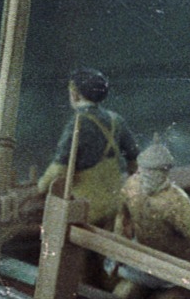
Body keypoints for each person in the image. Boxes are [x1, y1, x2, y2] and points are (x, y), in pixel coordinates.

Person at [111, 137, 190, 299]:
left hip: (179, 268)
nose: (149, 175)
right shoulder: (131, 188)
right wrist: (118, 253)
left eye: (156, 171)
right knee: (121, 296)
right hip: (147, 261)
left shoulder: (176, 203)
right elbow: (123, 220)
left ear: (165, 171)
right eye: (146, 170)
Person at [35, 67, 140, 228]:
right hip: (116, 201)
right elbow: (134, 159)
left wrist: (41, 188)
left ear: (75, 94)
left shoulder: (77, 123)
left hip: (86, 208)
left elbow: (59, 167)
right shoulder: (115, 119)